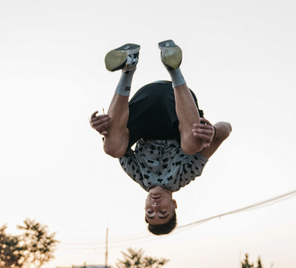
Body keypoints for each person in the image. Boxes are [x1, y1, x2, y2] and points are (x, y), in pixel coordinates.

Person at [90, 40, 232, 235]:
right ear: (174, 204)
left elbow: (114, 140)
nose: (155, 207)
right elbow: (226, 129)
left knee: (112, 149)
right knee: (194, 145)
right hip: (174, 104)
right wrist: (213, 132)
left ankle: (128, 67)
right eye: (163, 212)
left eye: (150, 211)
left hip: (145, 107)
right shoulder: (185, 174)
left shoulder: (138, 176)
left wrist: (103, 129)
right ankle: (174, 69)